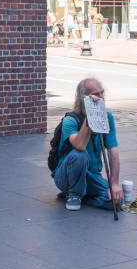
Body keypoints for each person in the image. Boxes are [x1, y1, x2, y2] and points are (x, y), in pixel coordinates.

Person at [53, 78, 123, 211]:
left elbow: (113, 151)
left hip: (91, 175)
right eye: (97, 94)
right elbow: (80, 146)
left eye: (102, 93)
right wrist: (91, 112)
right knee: (80, 154)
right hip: (66, 176)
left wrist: (114, 184)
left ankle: (82, 196)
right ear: (84, 98)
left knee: (116, 201)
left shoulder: (107, 117)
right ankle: (73, 194)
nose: (101, 98)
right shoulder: (70, 120)